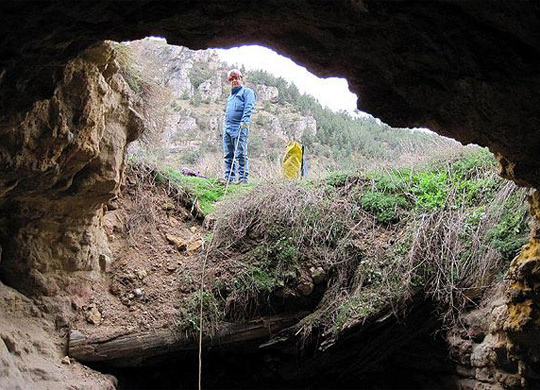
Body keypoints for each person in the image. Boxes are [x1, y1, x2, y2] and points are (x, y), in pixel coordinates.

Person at [222, 68, 256, 184]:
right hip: (228, 128)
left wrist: (244, 123)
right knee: (228, 155)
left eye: (236, 78)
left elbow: (249, 108)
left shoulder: (247, 92)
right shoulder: (230, 97)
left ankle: (243, 179)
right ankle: (228, 179)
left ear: (241, 79)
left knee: (241, 153)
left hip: (240, 126)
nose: (234, 81)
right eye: (231, 79)